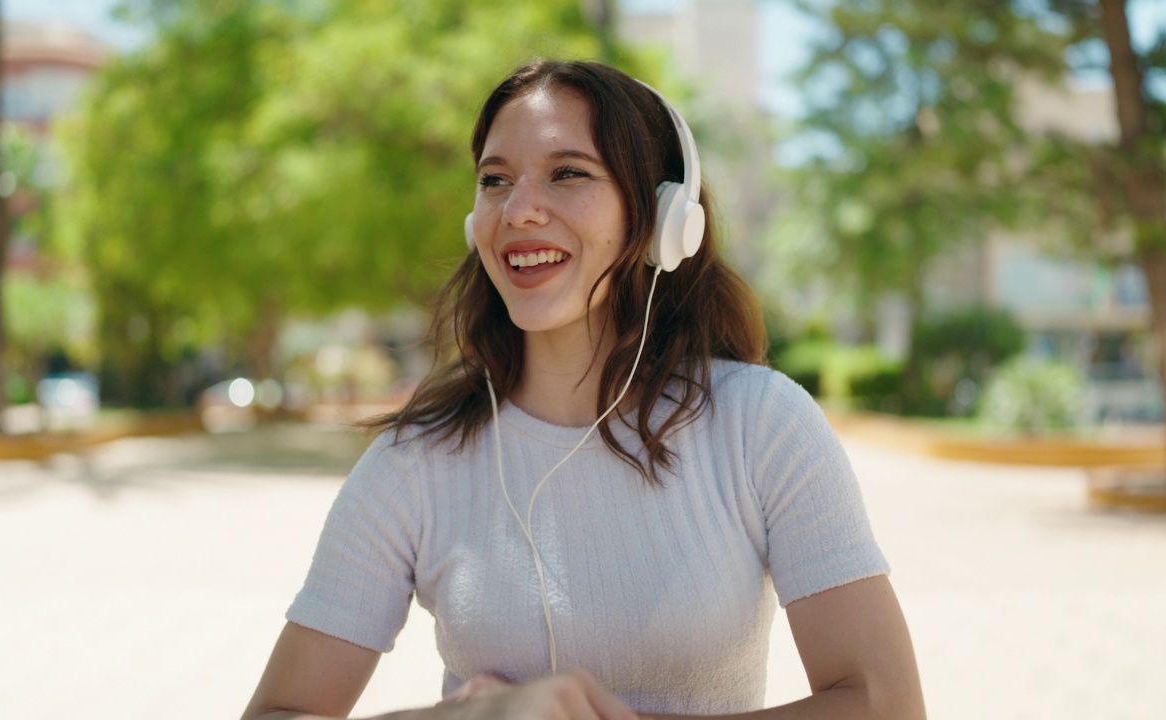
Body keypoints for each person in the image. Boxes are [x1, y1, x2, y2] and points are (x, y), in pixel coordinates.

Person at [242, 59, 925, 720]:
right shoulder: (416, 461)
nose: (520, 210)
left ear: (662, 219)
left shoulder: (762, 425)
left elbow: (886, 706)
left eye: (568, 173)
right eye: (494, 180)